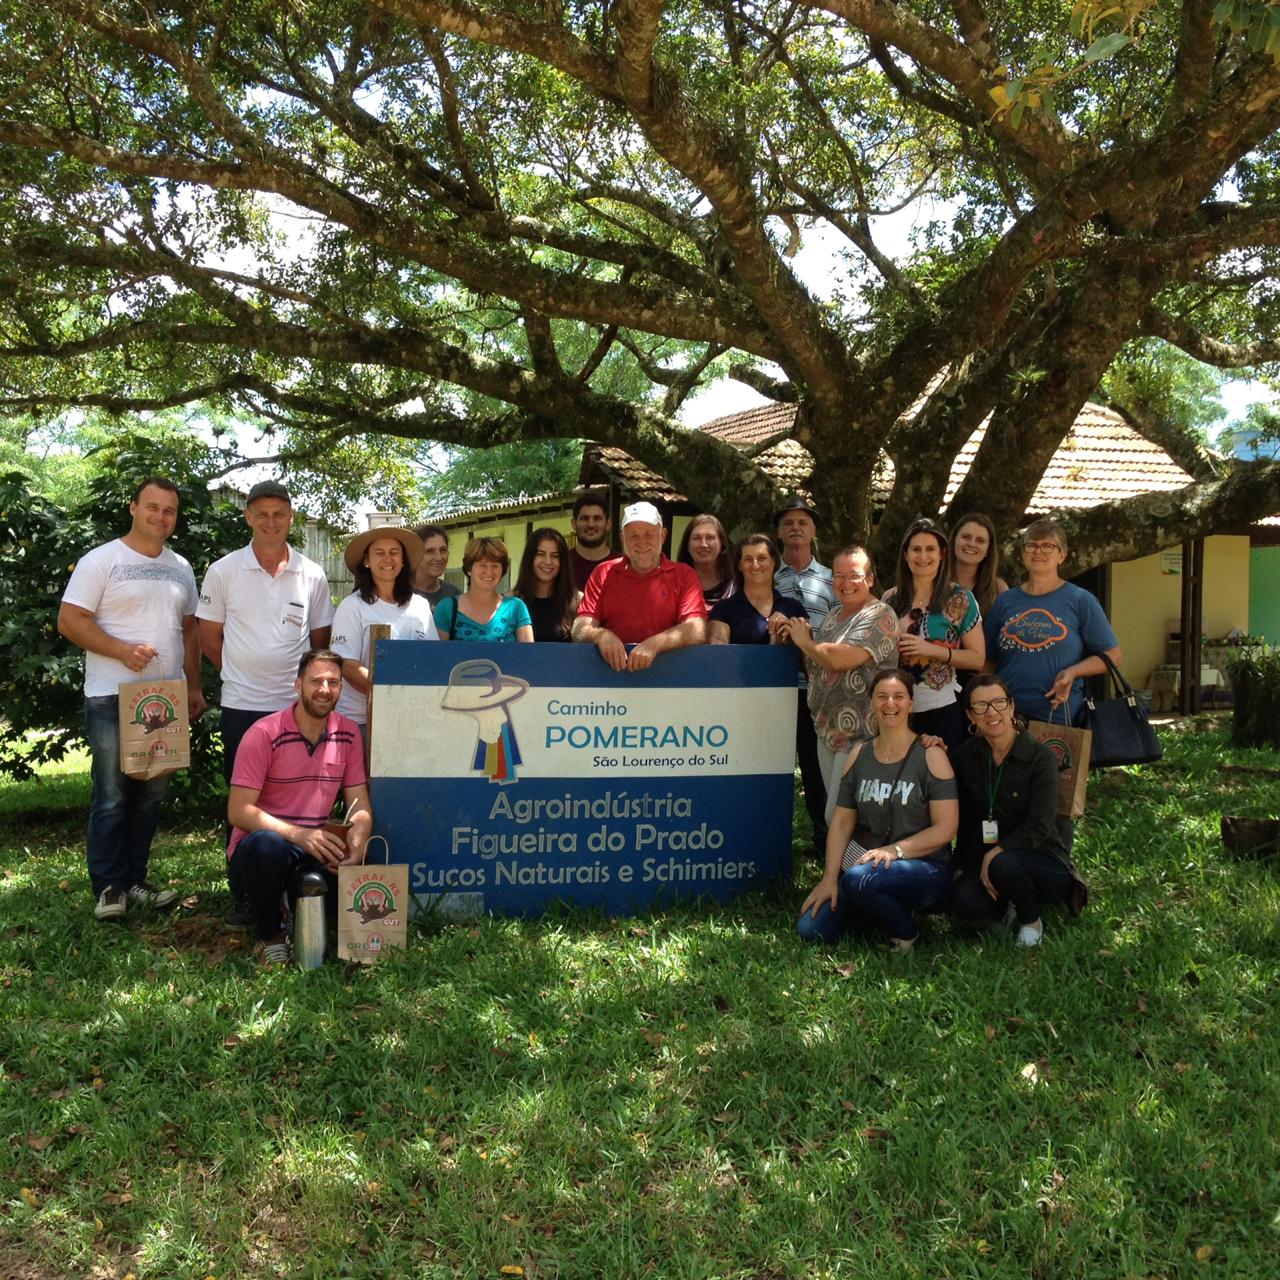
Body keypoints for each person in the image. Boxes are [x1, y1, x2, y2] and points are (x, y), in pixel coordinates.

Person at [58, 476, 207, 922]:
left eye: (170, 510)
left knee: (150, 796)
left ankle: (136, 881)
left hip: (167, 698)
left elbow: (190, 629)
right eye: (153, 507)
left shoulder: (181, 565)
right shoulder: (102, 560)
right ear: (133, 507)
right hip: (111, 696)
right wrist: (121, 651)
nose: (161, 516)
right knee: (111, 796)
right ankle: (108, 887)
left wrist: (194, 686)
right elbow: (70, 619)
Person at [226, 649, 371, 967]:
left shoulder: (347, 733)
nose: (324, 689)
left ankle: (294, 907)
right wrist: (300, 835)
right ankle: (270, 937)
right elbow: (238, 812)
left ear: (341, 689)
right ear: (297, 685)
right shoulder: (264, 733)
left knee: (360, 873)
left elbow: (358, 801)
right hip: (260, 853)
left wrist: (358, 839)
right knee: (267, 845)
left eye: (333, 682)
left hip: (312, 850)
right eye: (316, 681)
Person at [797, 669, 959, 951]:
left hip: (925, 866)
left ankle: (906, 932)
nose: (890, 704)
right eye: (882, 696)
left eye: (899, 696)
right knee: (812, 930)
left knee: (861, 881)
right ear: (871, 702)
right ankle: (878, 909)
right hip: (866, 863)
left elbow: (946, 829)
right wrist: (828, 879)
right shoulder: (859, 754)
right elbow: (842, 823)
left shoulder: (931, 754)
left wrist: (894, 851)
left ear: (911, 703)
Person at [197, 479, 333, 795]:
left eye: (278, 514)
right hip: (241, 703)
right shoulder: (223, 571)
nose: (270, 522)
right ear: (248, 517)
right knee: (243, 792)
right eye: (262, 514)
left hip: (294, 704)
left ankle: (293, 847)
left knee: (293, 792)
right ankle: (238, 847)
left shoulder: (312, 574)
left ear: (291, 517)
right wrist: (238, 671)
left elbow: (320, 643)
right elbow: (208, 638)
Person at [949, 674, 1083, 947]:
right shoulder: (966, 756)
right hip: (988, 854)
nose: (992, 712)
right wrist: (960, 865)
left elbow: (1041, 826)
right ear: (970, 716)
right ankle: (1002, 906)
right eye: (981, 706)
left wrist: (996, 854)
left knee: (1003, 863)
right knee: (963, 903)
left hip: (1041, 859)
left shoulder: (1040, 757)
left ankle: (1030, 919)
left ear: (1011, 707)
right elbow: (965, 820)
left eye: (999, 703)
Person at [781, 545, 899, 825]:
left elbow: (840, 659)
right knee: (837, 812)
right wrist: (798, 635)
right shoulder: (834, 616)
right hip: (829, 730)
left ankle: (849, 869)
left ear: (870, 578)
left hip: (862, 734)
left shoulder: (879, 615)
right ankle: (842, 867)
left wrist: (804, 641)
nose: (846, 584)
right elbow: (817, 663)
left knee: (843, 813)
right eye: (839, 576)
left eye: (855, 576)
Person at [984, 518, 1122, 724]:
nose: (1038, 551)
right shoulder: (1005, 601)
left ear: (1062, 555)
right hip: (1007, 719)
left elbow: (1113, 655)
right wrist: (993, 700)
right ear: (1023, 553)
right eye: (1031, 545)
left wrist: (1073, 672)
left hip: (1059, 717)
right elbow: (985, 660)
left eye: (1048, 546)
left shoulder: (1080, 600)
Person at [880, 516, 984, 750]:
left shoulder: (960, 598)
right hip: (895, 710)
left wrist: (933, 651)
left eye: (930, 549)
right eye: (916, 549)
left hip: (942, 709)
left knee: (940, 781)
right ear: (905, 554)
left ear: (942, 554)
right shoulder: (889, 599)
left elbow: (977, 658)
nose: (923, 556)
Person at [573, 500, 708, 671]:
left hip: (671, 678)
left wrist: (655, 644)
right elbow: (579, 628)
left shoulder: (684, 575)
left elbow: (697, 629)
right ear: (622, 538)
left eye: (649, 534)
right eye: (634, 536)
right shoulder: (603, 573)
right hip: (610, 677)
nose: (641, 542)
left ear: (663, 535)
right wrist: (602, 636)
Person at [331, 527, 439, 738]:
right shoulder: (352, 607)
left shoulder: (420, 606)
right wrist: (388, 690)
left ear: (403, 560)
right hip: (360, 720)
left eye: (394, 552)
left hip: (409, 717)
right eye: (379, 552)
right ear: (366, 561)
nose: (388, 559)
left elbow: (431, 657)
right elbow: (347, 664)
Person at [773, 496, 837, 852]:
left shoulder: (831, 580)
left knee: (816, 768)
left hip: (819, 688)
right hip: (775, 688)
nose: (795, 528)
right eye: (788, 522)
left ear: (813, 530)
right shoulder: (767, 574)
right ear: (779, 532)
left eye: (803, 522)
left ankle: (825, 837)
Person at [707, 534, 806, 644]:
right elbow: (718, 656)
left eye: (762, 558)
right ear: (739, 565)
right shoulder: (723, 609)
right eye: (748, 559)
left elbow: (809, 657)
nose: (755, 565)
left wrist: (790, 632)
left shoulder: (794, 608)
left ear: (774, 562)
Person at [434, 537, 534, 642]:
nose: (489, 572)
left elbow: (528, 655)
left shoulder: (516, 608)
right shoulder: (447, 608)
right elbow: (438, 655)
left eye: (495, 566)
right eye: (482, 565)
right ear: (469, 569)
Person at [513, 528, 580, 642]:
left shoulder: (578, 601)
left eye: (555, 556)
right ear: (530, 558)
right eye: (540, 554)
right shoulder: (511, 602)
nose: (548, 561)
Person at [949, 512, 1009, 618]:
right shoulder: (932, 581)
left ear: (988, 550)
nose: (972, 544)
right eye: (966, 537)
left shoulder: (998, 590)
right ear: (954, 540)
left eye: (980, 540)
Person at [676, 514, 735, 604]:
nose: (703, 544)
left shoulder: (737, 585)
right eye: (697, 538)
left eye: (710, 537)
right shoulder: (674, 584)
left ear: (722, 544)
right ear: (687, 546)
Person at [568, 491, 614, 590]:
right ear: (574, 523)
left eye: (597, 519)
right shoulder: (562, 564)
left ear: (608, 524)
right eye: (584, 519)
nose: (591, 525)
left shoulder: (622, 566)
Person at [411, 523, 460, 609]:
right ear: (415, 555)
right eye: (430, 551)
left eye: (443, 550)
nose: (439, 557)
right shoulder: (398, 594)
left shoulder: (454, 595)